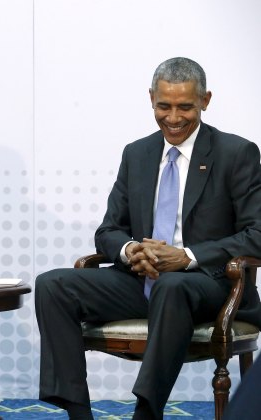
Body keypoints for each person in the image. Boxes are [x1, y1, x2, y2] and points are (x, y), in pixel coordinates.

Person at [35, 57, 261, 419]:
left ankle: (147, 410)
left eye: (185, 106)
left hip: (209, 285)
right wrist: (130, 250)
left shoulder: (236, 153)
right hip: (141, 280)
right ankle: (77, 412)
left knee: (173, 284)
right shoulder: (137, 153)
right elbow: (108, 230)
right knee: (52, 285)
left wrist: (186, 256)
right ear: (151, 99)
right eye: (164, 106)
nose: (173, 117)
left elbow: (257, 235)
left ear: (205, 100)